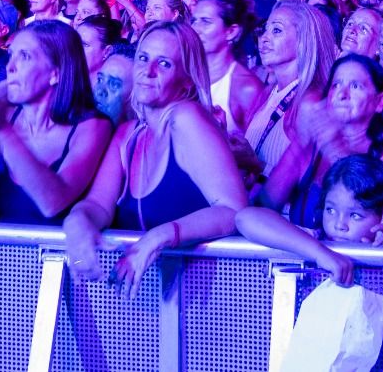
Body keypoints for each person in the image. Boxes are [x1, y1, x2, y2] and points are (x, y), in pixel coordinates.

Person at [64, 22, 246, 296]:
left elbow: (234, 211)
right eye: (143, 58)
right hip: (146, 303)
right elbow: (97, 205)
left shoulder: (187, 118)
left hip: (198, 306)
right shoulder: (129, 134)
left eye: (164, 64)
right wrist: (77, 223)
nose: (147, 72)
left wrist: (162, 235)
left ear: (186, 79)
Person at [0, 20, 111, 223]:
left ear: (55, 72)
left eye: (24, 57)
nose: (10, 66)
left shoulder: (93, 126)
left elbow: (53, 203)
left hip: (58, 253)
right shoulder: (5, 115)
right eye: (11, 55)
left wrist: (3, 131)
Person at [257, 53, 383, 227]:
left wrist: (333, 147)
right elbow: (265, 206)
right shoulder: (310, 148)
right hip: (306, 253)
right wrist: (300, 143)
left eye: (356, 86)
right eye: (335, 85)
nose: (342, 94)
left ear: (380, 102)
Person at [235, 154, 383, 287]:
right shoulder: (315, 240)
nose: (339, 225)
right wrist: (320, 253)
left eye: (355, 215)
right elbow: (245, 218)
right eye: (330, 210)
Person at [243, 0, 337, 177]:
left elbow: (316, 186)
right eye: (265, 30)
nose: (263, 38)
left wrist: (257, 165)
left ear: (303, 41)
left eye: (276, 30)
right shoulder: (266, 93)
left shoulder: (310, 103)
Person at [189, 0, 264, 135]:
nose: (195, 29)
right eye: (194, 21)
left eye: (205, 22)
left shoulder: (246, 89)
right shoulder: (187, 75)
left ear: (231, 31)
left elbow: (256, 153)